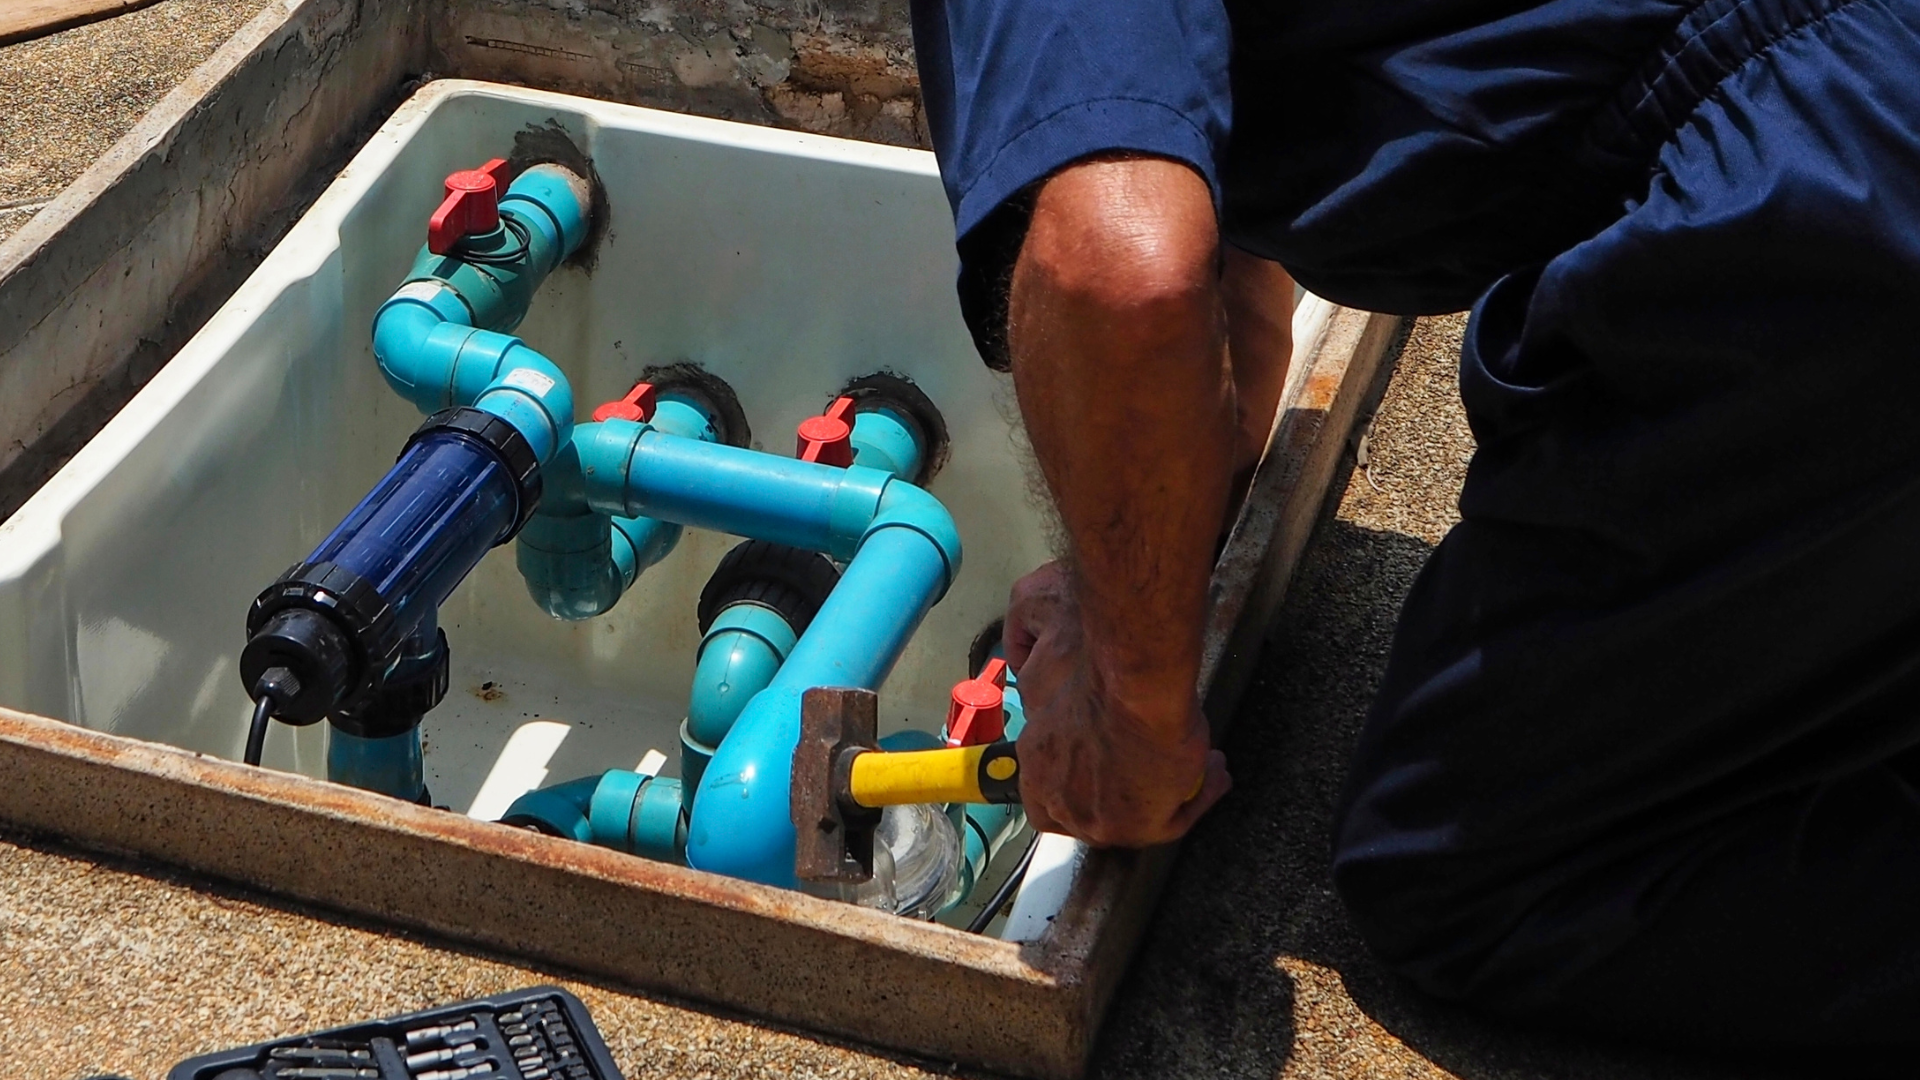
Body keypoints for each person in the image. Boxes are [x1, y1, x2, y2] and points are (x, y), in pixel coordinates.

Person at [911, 0, 1920, 1051]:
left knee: (1466, 864)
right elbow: (1230, 304)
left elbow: (1118, 275)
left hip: (1824, 195)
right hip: (1866, 93)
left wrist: (1134, 719)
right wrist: (1120, 582)